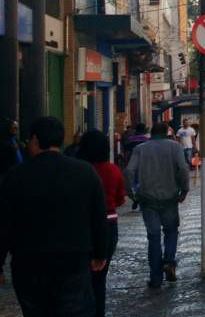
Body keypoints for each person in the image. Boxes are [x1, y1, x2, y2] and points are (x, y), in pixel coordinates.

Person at [0, 117, 108, 317]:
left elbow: (2, 226)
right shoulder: (85, 172)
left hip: (29, 265)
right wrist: (100, 253)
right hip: (73, 263)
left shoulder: (17, 175)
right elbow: (98, 217)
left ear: (34, 139)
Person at [125, 121, 190, 289]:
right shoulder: (175, 147)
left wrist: (131, 192)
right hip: (169, 198)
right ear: (167, 132)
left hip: (147, 200)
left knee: (153, 237)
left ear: (151, 133)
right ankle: (169, 261)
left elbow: (129, 171)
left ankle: (155, 278)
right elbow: (183, 169)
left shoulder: (140, 149)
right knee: (170, 231)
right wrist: (184, 189)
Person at [77, 130, 126, 317]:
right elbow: (121, 199)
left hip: (83, 225)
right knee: (100, 278)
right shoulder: (113, 170)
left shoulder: (80, 169)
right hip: (108, 225)